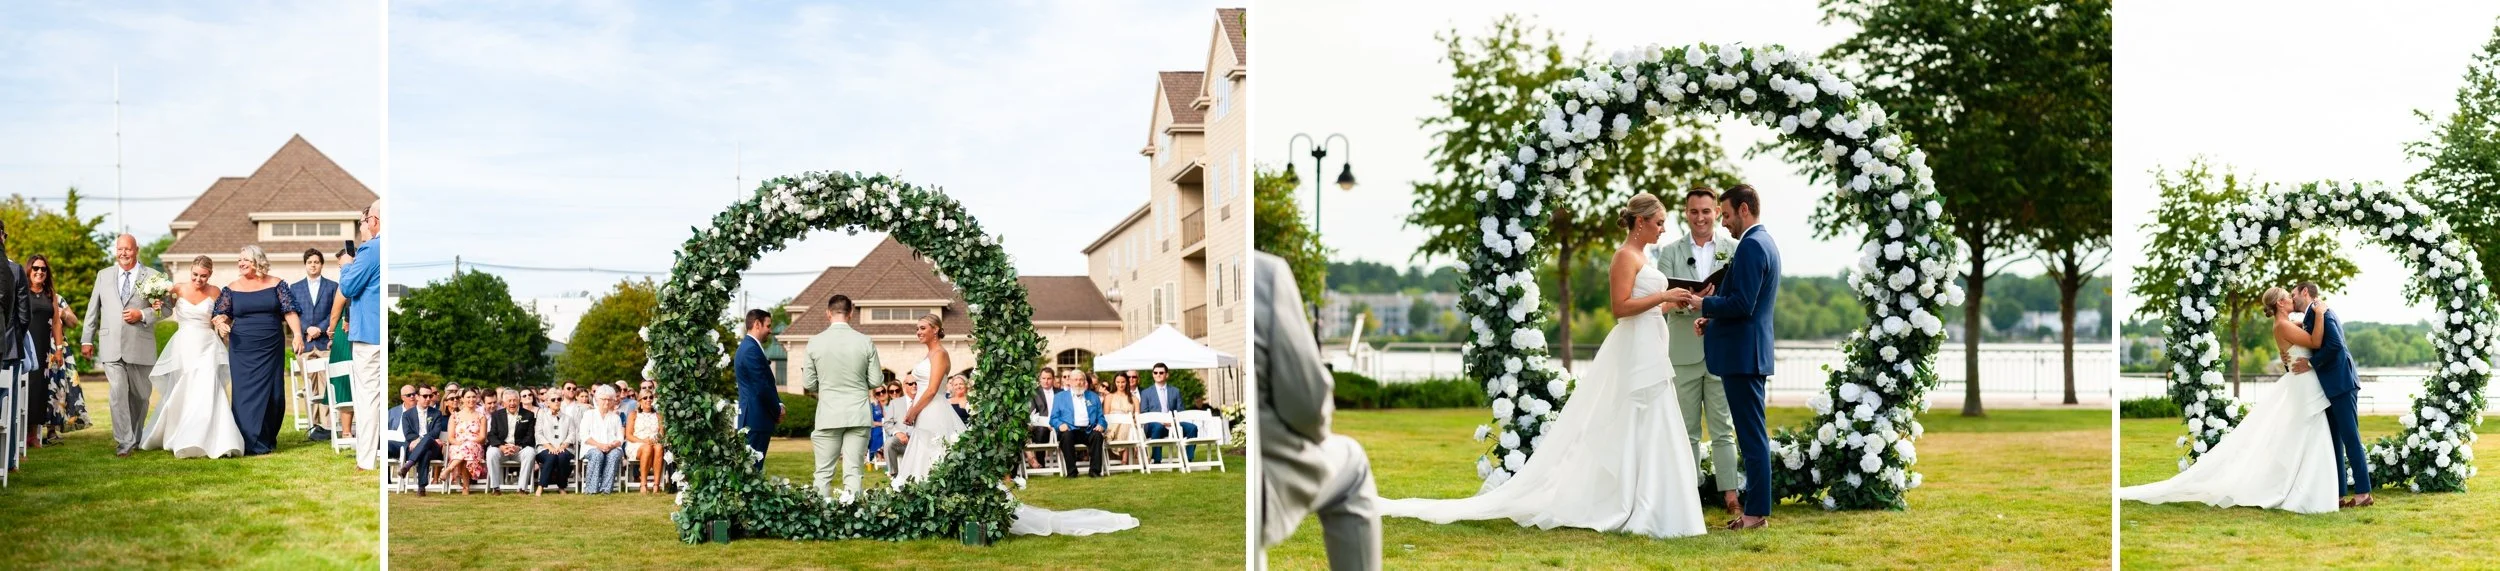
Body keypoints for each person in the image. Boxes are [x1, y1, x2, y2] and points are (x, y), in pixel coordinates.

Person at [1382, 191, 1706, 538]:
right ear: (1640, 222)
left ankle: (1653, 500)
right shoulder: (1624, 256)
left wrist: (1680, 302)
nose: (1663, 229)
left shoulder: (1643, 255)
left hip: (1652, 345)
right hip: (1635, 348)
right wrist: (1664, 294)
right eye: (1658, 223)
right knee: (1633, 417)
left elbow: (1650, 306)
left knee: (1653, 422)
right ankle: (1629, 501)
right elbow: (1621, 308)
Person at [2119, 287, 2340, 512]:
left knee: (2307, 433)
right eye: (2288, 296)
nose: (2292, 299)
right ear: (2281, 304)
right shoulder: (2283, 325)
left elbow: (2304, 337)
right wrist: (2321, 313)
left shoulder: (2288, 324)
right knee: (2311, 431)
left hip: (2303, 381)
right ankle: (2309, 492)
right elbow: (2314, 342)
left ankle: (2310, 486)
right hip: (2302, 384)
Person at [1254, 252, 1381, 570]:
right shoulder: (1266, 273)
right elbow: (1308, 407)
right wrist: (1319, 427)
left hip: (1255, 491)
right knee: (1353, 465)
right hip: (1262, 492)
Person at [1667, 184, 1783, 531]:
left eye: (1728, 214)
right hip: (1747, 354)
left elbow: (1742, 304)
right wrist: (1712, 318)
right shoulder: (1766, 243)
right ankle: (1754, 512)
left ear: (1744, 209)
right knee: (1751, 435)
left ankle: (1755, 515)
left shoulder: (1750, 246)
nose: (1725, 221)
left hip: (1742, 358)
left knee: (1751, 438)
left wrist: (1703, 303)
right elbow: (1743, 306)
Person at [1653, 185, 1741, 513]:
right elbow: (1659, 299)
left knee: (1723, 428)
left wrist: (1710, 302)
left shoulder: (1734, 248)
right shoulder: (1669, 252)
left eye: (1706, 211)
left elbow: (1740, 297)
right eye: (1694, 211)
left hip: (1722, 348)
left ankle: (1731, 495)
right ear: (1686, 213)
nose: (1700, 217)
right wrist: (1686, 301)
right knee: (1686, 430)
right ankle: (1688, 495)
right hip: (1683, 351)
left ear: (1717, 212)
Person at [135, 256, 246, 459]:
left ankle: (214, 438)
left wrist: (222, 321)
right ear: (190, 271)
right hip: (185, 344)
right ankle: (181, 434)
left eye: (203, 276)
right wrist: (155, 302)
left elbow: (224, 314)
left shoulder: (216, 292)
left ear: (210, 274)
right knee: (186, 387)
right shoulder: (177, 288)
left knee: (209, 384)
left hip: (208, 344)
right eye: (195, 274)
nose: (198, 279)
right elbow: (161, 309)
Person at [211, 245, 305, 456]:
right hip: (242, 347)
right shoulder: (231, 288)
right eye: (239, 260)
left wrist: (297, 334)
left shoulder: (276, 284)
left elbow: (289, 311)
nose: (241, 263)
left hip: (271, 346)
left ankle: (268, 436)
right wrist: (221, 322)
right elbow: (221, 313)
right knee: (244, 394)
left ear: (257, 261)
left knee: (275, 394)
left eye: (245, 259)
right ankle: (247, 439)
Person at [83, 233, 165, 457]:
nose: (123, 253)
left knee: (140, 396)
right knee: (118, 393)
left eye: (127, 249)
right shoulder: (104, 275)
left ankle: (136, 438)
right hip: (111, 345)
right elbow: (93, 309)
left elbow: (165, 308)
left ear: (136, 250)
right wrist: (86, 339)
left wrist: (143, 313)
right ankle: (124, 443)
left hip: (141, 345)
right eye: (120, 249)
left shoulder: (153, 277)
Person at [803, 297, 879, 496]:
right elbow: (877, 380)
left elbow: (808, 383)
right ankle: (854, 520)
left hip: (828, 413)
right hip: (858, 413)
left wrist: (827, 384)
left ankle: (821, 520)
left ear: (828, 313)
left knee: (823, 472)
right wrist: (859, 384)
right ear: (851, 313)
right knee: (854, 471)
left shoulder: (815, 342)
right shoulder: (865, 341)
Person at [892, 314, 961, 486]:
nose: (918, 332)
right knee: (923, 454)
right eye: (917, 329)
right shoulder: (929, 355)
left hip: (934, 410)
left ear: (935, 329)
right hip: (925, 410)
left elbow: (932, 390)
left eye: (922, 328)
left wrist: (912, 411)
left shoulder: (940, 354)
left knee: (936, 452)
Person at [343, 202, 386, 470]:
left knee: (368, 398)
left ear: (374, 220)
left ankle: (366, 460)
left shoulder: (371, 249)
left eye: (364, 220)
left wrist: (347, 264)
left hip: (369, 334)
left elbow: (348, 287)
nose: (362, 225)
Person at [291, 248, 340, 441]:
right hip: (304, 344)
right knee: (310, 386)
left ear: (321, 264)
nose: (313, 265)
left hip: (324, 342)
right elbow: (292, 313)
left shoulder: (332, 286)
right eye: (310, 262)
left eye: (316, 262)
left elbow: (334, 312)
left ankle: (327, 426)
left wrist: (318, 328)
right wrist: (306, 329)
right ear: (305, 264)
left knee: (327, 384)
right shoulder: (294, 288)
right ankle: (314, 424)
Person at [734, 309, 783, 472]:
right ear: (757, 324)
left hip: (755, 418)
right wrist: (777, 409)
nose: (770, 330)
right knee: (751, 470)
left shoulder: (751, 347)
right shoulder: (750, 350)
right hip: (755, 419)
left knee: (753, 469)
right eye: (768, 326)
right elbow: (761, 386)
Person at [1137, 363, 1198, 462]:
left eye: (1161, 372)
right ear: (1152, 374)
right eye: (1155, 373)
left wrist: (1173, 421)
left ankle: (1188, 459)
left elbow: (1180, 410)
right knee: (1157, 427)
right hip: (1154, 425)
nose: (1158, 375)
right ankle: (1156, 460)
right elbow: (1144, 413)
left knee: (1192, 428)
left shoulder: (1175, 391)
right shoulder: (1146, 393)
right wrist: (1160, 421)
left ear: (1167, 375)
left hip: (1173, 423)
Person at [1051, 374, 1108, 478]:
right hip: (1070, 430)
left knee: (1097, 435)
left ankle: (1095, 471)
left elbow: (1101, 417)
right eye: (1075, 380)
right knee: (1066, 436)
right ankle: (1072, 472)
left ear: (1085, 381)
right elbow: (1053, 418)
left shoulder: (1093, 396)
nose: (1078, 382)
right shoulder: (1059, 397)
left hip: (1088, 430)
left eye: (1081, 380)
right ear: (1070, 382)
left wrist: (1101, 424)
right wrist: (1060, 425)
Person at [485, 388, 538, 494]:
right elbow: (492, 435)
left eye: (514, 400)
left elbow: (530, 436)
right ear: (504, 403)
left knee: (530, 452)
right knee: (491, 452)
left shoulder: (528, 415)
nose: (512, 403)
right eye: (509, 401)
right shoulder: (497, 415)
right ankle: (495, 488)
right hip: (502, 449)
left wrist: (518, 447)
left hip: (519, 449)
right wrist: (501, 446)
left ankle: (522, 488)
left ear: (519, 401)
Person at [579, 385, 629, 494]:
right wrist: (599, 445)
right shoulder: (589, 414)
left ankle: (606, 489)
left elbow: (620, 438)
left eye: (610, 399)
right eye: (604, 399)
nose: (607, 402)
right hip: (592, 447)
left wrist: (611, 445)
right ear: (597, 400)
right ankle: (591, 489)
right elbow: (584, 435)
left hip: (611, 447)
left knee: (615, 454)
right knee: (597, 454)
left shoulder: (615, 417)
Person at [400, 384, 447, 496]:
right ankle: (421, 488)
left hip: (434, 447)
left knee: (428, 438)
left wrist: (420, 439)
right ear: (417, 397)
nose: (428, 399)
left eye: (430, 396)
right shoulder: (407, 415)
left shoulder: (436, 413)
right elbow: (408, 434)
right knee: (426, 452)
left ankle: (408, 465)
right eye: (424, 396)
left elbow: (435, 432)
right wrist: (418, 440)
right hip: (415, 448)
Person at [442, 390, 488, 494]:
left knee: (468, 447)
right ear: (462, 399)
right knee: (465, 451)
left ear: (476, 398)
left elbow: (482, 437)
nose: (471, 400)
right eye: (468, 397)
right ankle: (465, 488)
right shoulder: (454, 416)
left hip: (475, 445)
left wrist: (469, 441)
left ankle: (449, 469)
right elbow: (451, 437)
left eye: (473, 397)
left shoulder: (481, 416)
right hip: (458, 445)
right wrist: (460, 443)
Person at [533, 390, 577, 495]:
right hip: (544, 448)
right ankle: (541, 486)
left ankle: (561, 486)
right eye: (553, 400)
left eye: (559, 399)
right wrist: (550, 447)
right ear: (547, 402)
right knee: (551, 456)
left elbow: (572, 434)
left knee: (562, 456)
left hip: (565, 448)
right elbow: (538, 434)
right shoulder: (541, 416)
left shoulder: (568, 418)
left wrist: (563, 445)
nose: (556, 401)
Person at [627, 387, 665, 494]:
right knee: (647, 448)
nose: (648, 400)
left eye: (650, 397)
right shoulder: (633, 415)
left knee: (659, 447)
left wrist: (655, 439)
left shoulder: (658, 415)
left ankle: (656, 485)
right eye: (645, 398)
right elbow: (629, 435)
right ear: (640, 401)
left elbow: (662, 433)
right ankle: (643, 484)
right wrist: (643, 441)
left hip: (654, 442)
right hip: (637, 444)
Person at [1103, 372, 1141, 465]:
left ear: (1127, 382)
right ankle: (1124, 456)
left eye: (1123, 382)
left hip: (1130, 426)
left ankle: (1125, 458)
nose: (1120, 385)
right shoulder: (1109, 397)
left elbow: (1137, 417)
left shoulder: (1134, 398)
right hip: (1112, 426)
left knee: (1126, 424)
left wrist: (1129, 421)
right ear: (1114, 383)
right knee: (1121, 423)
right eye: (1118, 382)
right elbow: (1106, 415)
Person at [1027, 367, 1058, 468]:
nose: (1046, 381)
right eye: (1044, 378)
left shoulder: (1061, 392)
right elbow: (1033, 414)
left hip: (1058, 424)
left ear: (1053, 379)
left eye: (1049, 378)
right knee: (1041, 430)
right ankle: (1041, 464)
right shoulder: (1034, 393)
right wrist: (1047, 423)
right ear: (1039, 379)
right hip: (1041, 425)